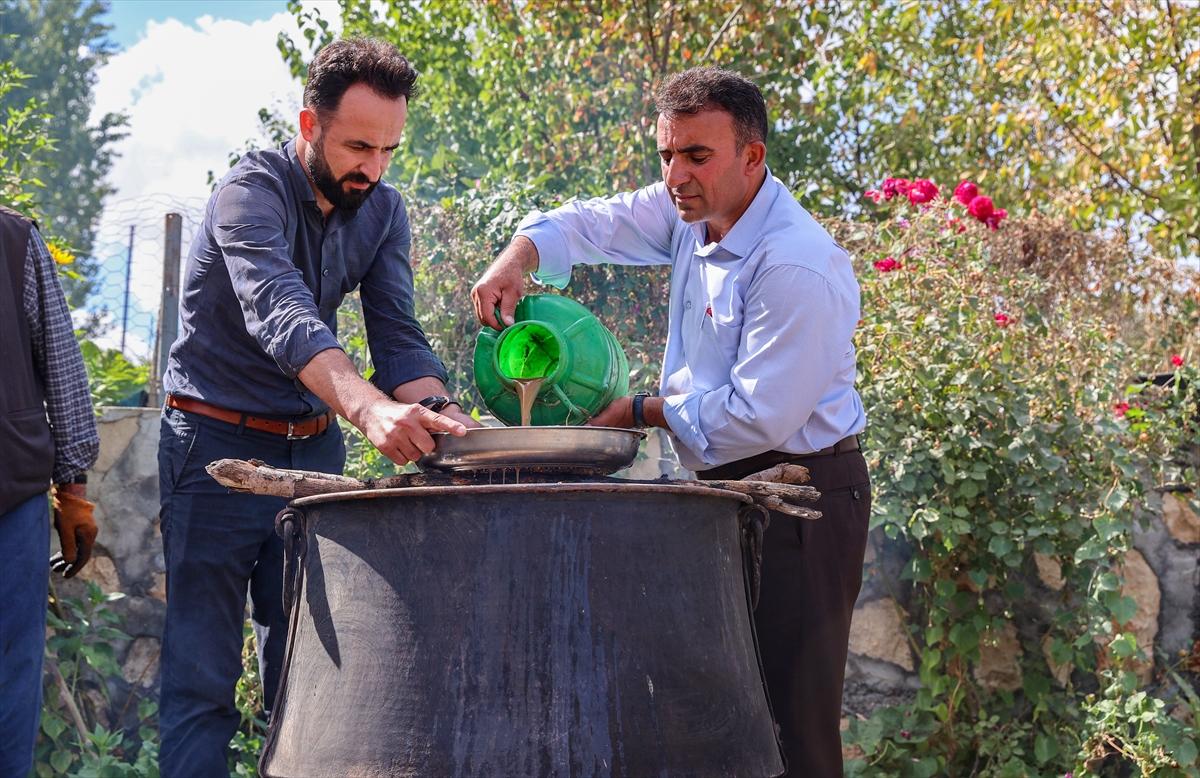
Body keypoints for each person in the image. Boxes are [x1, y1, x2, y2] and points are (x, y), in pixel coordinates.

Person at [471, 66, 870, 777]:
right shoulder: (692, 212)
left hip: (805, 499)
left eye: (696, 155)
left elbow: (758, 416)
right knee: (722, 712)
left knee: (792, 725)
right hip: (721, 487)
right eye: (666, 153)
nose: (675, 175)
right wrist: (518, 257)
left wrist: (640, 410)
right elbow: (591, 222)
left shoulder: (795, 265)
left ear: (753, 156)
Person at [157, 37, 478, 775]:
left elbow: (397, 338)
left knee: (309, 679)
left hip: (314, 456)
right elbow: (283, 313)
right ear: (310, 126)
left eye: (390, 148)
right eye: (359, 145)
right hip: (211, 451)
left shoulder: (383, 210)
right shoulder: (247, 193)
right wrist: (369, 411)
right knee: (201, 683)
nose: (375, 167)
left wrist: (449, 419)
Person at [0, 205, 100, 776]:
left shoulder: (14, 240)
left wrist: (74, 491)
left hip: (8, 502)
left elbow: (61, 367)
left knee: (9, 688)